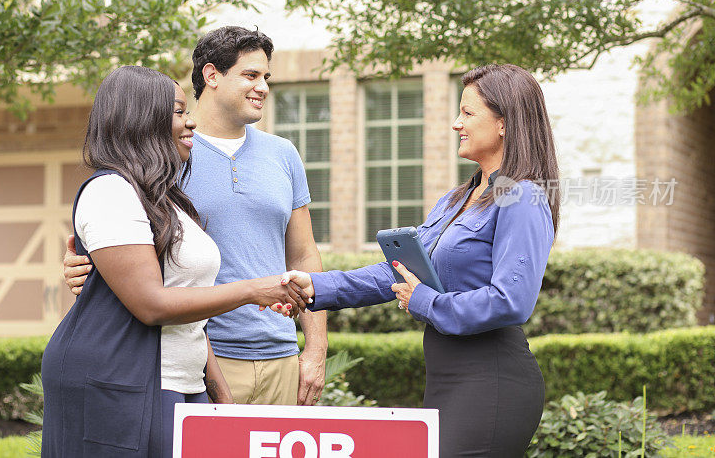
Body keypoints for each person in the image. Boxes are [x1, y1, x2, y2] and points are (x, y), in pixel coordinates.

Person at [283, 64, 559, 458]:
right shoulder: (456, 199)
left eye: (467, 112)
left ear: (504, 122)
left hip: (492, 381)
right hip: (446, 378)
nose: (455, 123)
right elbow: (401, 271)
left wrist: (424, 301)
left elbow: (510, 301)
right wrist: (317, 286)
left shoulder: (523, 196)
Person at [41, 66, 306, 458]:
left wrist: (218, 392)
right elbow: (152, 304)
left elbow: (189, 306)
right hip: (118, 384)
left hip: (181, 383)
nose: (191, 122)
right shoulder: (110, 192)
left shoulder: (167, 202)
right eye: (179, 112)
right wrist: (254, 290)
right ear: (142, 118)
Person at [62, 26, 328, 406]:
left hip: (279, 354)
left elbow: (303, 255)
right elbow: (128, 241)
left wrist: (315, 350)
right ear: (211, 75)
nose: (263, 88)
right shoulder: (168, 153)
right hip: (202, 356)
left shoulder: (284, 155)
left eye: (266, 77)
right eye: (251, 75)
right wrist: (87, 265)